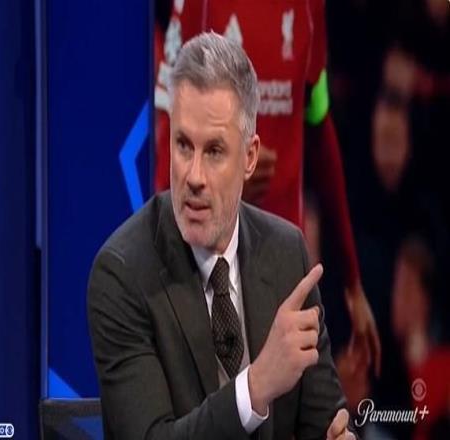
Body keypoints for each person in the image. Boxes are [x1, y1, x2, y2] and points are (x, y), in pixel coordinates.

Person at [88, 32, 356, 439]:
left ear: (249, 157)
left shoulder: (287, 256)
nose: (194, 176)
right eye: (183, 146)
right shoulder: (123, 275)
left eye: (214, 151)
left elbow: (326, 422)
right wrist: (256, 386)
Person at [154, 0, 381, 378]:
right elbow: (168, 151)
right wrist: (224, 185)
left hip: (283, 282)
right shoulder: (198, 6)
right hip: (206, 279)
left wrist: (353, 282)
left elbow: (318, 122)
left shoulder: (310, 7)